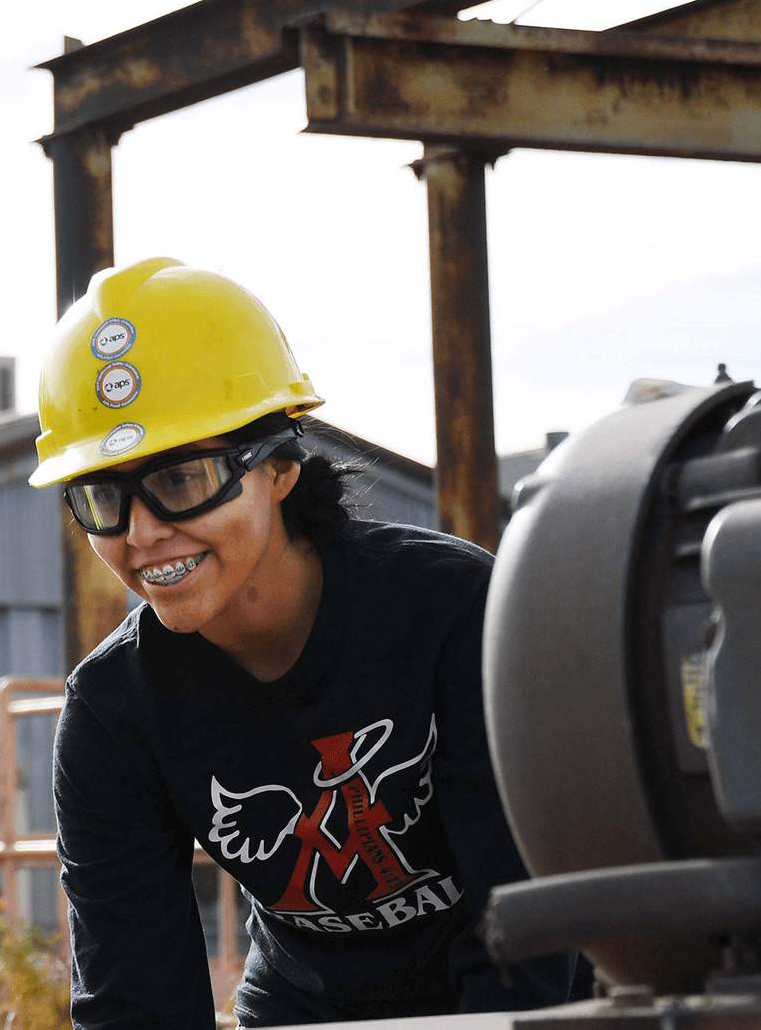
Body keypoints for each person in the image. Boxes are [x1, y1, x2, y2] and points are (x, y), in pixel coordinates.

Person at [34, 258, 584, 1027]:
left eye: (182, 480)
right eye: (102, 496)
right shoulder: (113, 713)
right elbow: (135, 1002)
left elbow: (525, 938)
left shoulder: (454, 612)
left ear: (281, 467)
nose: (144, 531)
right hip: (305, 1008)